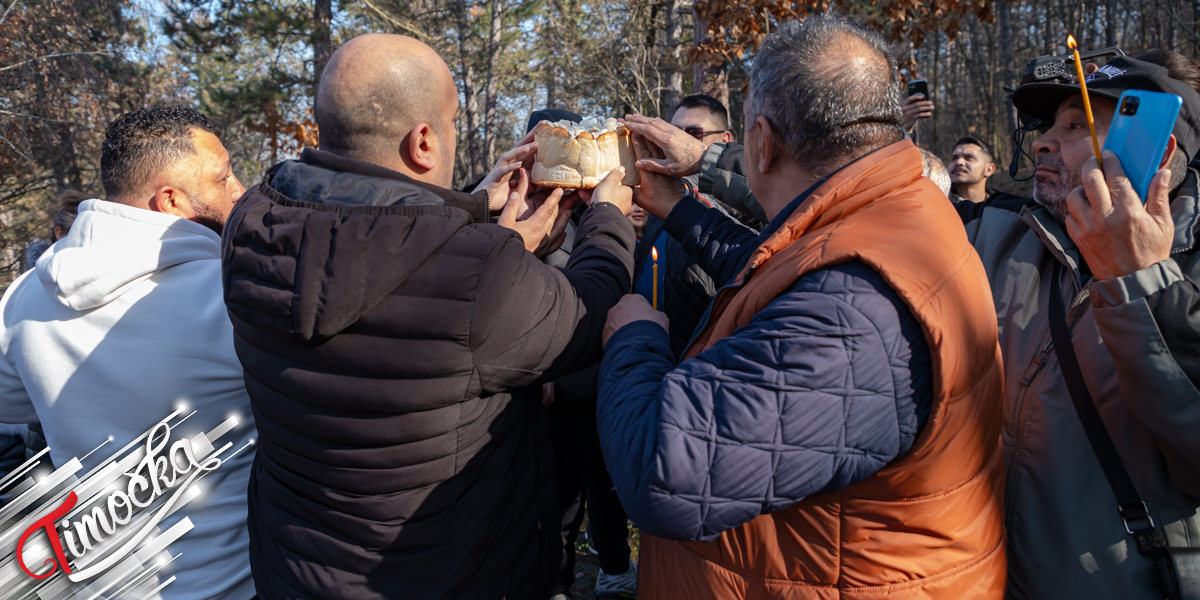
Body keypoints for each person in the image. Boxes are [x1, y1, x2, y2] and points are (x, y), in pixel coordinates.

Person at [220, 33, 636, 599]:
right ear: (423, 143)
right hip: (449, 574)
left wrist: (470, 208)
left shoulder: (252, 227)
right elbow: (589, 315)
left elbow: (373, 246)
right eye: (451, 119)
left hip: (298, 568)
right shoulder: (477, 276)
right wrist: (607, 218)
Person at [610, 13, 1006, 599]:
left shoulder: (857, 308)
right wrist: (680, 207)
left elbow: (667, 474)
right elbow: (778, 266)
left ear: (763, 142)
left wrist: (633, 338)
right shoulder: (894, 208)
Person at [959, 51, 1200, 599]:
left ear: (1155, 152)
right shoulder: (999, 235)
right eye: (1049, 125)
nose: (1043, 140)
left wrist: (1140, 282)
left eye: (1076, 126)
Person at [0, 106, 256, 600]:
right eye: (224, 177)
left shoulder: (24, 298)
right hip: (229, 584)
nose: (239, 190)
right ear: (170, 200)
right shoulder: (230, 297)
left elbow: (9, 406)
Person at [948, 135, 997, 203]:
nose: (959, 162)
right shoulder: (937, 204)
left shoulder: (1004, 207)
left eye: (969, 157)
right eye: (955, 158)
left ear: (989, 169)